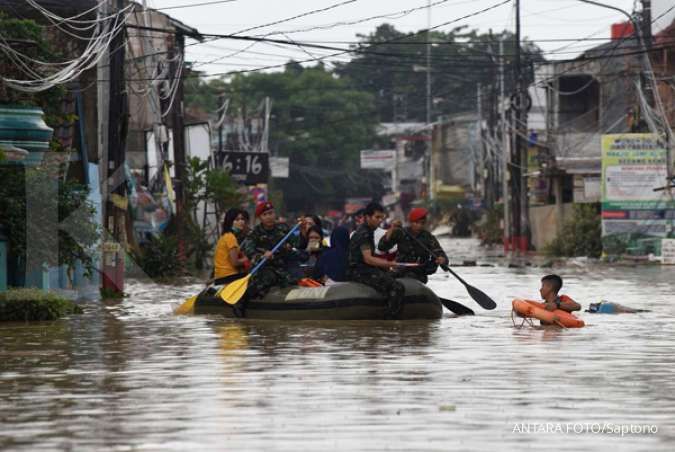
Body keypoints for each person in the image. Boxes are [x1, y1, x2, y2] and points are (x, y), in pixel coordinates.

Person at [347, 202, 405, 318]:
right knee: (397, 287)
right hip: (358, 271)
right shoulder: (363, 234)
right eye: (377, 217)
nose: (380, 221)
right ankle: (391, 320)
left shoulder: (368, 231)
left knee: (393, 276)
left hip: (364, 268)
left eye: (381, 218)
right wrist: (389, 263)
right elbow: (368, 259)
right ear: (367, 217)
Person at [241, 201, 299, 299]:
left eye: (271, 213)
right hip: (263, 268)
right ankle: (242, 300)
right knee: (268, 277)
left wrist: (302, 232)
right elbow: (249, 251)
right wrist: (262, 256)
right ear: (260, 217)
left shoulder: (283, 228)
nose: (269, 217)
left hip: (281, 268)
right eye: (265, 214)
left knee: (294, 280)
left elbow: (297, 243)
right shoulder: (255, 233)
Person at [377, 207, 448, 283]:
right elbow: (382, 247)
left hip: (418, 273)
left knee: (411, 276)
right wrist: (391, 230)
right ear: (410, 222)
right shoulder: (401, 232)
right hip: (399, 270)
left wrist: (442, 259)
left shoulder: (429, 238)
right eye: (416, 223)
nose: (419, 226)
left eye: (422, 223)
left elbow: (440, 254)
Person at [213, 208, 250, 283]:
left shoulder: (224, 236)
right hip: (228, 277)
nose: (241, 222)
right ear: (230, 222)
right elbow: (235, 262)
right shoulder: (231, 238)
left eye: (242, 219)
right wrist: (248, 259)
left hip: (220, 277)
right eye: (237, 220)